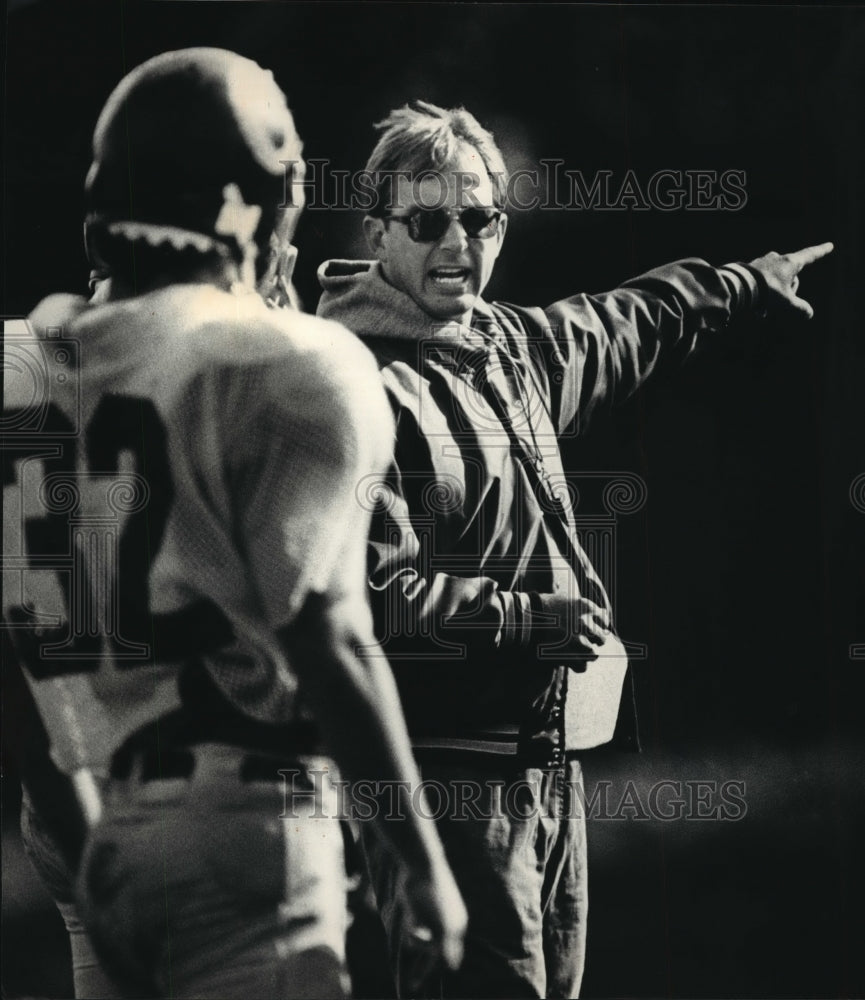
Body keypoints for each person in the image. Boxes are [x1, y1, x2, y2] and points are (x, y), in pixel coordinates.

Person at [316, 99, 832, 998]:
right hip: (444, 786)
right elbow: (369, 595)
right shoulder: (346, 382)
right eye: (427, 220)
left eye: (477, 219)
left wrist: (746, 282)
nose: (455, 243)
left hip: (550, 767)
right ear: (376, 232)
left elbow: (620, 322)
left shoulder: (507, 344)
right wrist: (528, 620)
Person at [3, 54, 466, 999]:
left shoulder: (23, 365)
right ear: (248, 201)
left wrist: (87, 842)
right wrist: (416, 859)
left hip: (91, 818)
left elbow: (21, 646)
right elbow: (327, 634)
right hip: (247, 819)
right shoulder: (296, 364)